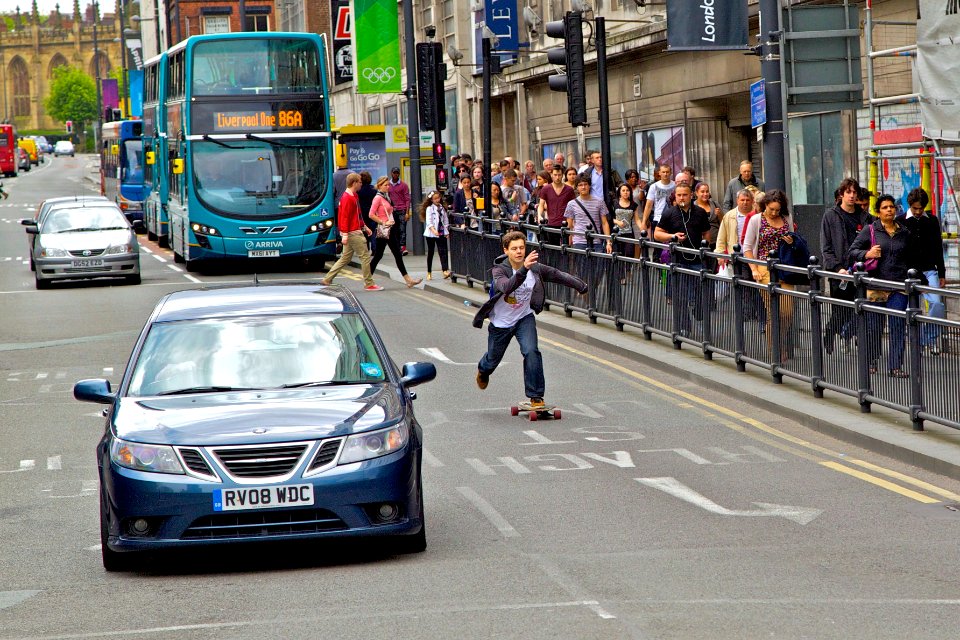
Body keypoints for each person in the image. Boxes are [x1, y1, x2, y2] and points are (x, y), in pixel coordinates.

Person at [473, 230, 588, 411]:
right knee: (492, 360)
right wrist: (523, 269)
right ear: (506, 250)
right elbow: (506, 287)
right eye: (514, 249)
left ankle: (536, 397)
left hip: (523, 318)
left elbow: (556, 274)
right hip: (501, 323)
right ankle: (483, 370)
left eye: (522, 248)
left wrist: (580, 285)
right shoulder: (499, 270)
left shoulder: (534, 268)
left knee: (531, 351)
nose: (519, 252)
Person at [847, 194, 915, 377]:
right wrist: (867, 254)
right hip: (876, 284)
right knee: (874, 326)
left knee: (898, 325)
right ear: (878, 212)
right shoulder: (871, 230)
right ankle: (871, 360)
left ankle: (895, 366)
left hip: (898, 286)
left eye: (892, 207)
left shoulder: (904, 232)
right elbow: (852, 252)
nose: (889, 210)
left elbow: (911, 257)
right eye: (885, 207)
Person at [743, 190, 797, 362]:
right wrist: (754, 269)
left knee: (787, 313)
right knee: (773, 311)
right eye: (771, 209)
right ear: (765, 205)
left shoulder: (786, 219)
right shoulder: (756, 220)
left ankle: (779, 340)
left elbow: (795, 243)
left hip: (784, 268)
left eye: (777, 210)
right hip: (764, 268)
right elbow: (747, 247)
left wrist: (792, 241)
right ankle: (775, 350)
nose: (774, 213)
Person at [820, 178, 872, 354]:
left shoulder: (865, 217)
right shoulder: (831, 215)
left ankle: (864, 348)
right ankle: (830, 332)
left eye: (854, 193)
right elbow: (826, 248)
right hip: (840, 271)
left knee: (860, 310)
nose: (851, 196)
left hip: (861, 271)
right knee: (841, 311)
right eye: (848, 192)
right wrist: (837, 269)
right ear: (841, 194)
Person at [655, 184, 711, 335]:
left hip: (698, 260)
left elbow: (706, 233)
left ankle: (699, 315)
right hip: (678, 260)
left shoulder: (700, 212)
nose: (681, 198)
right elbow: (657, 234)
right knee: (680, 296)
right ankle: (684, 327)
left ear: (691, 195)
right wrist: (672, 237)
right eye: (679, 195)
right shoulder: (669, 213)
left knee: (702, 293)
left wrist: (705, 249)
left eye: (684, 195)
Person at [898, 188, 946, 354]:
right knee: (913, 308)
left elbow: (938, 247)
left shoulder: (931, 220)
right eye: (915, 208)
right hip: (909, 272)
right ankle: (916, 341)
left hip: (929, 269)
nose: (918, 212)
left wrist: (942, 273)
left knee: (937, 304)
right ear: (909, 205)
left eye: (921, 208)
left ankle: (927, 338)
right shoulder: (901, 221)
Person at [322, 173, 382, 291]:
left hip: (353, 231)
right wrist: (344, 234)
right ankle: (369, 283)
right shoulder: (347, 198)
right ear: (354, 183)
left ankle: (328, 279)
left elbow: (357, 215)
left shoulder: (354, 195)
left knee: (345, 258)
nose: (361, 184)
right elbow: (344, 217)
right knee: (365, 257)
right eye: (359, 182)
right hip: (353, 233)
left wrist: (364, 227)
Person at [369, 176, 422, 288]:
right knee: (379, 255)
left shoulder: (386, 197)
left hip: (390, 229)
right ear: (379, 186)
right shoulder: (378, 198)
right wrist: (383, 222)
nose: (388, 187)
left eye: (388, 185)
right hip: (384, 229)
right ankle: (368, 280)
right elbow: (371, 214)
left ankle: (408, 280)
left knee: (396, 254)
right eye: (385, 185)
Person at [564, 175, 611, 252]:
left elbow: (604, 223)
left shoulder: (600, 202)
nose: (583, 187)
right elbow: (569, 225)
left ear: (589, 186)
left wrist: (608, 242)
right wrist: (568, 244)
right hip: (579, 241)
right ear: (577, 187)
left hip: (596, 241)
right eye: (580, 185)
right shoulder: (571, 204)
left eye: (585, 184)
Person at [537, 165, 576, 240]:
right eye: (555, 175)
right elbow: (541, 205)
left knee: (565, 248)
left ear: (563, 175)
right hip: (551, 223)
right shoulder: (546, 189)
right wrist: (539, 216)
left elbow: (573, 207)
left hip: (566, 223)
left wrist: (572, 223)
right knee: (553, 248)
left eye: (559, 175)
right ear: (551, 175)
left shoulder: (569, 190)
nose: (557, 177)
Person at [421, 191, 450, 280]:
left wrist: (446, 231)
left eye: (438, 198)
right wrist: (434, 231)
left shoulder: (442, 208)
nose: (437, 200)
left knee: (443, 251)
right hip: (431, 234)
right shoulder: (429, 209)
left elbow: (445, 221)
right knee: (431, 252)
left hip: (441, 232)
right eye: (435, 199)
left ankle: (445, 270)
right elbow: (429, 222)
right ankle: (429, 272)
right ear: (431, 200)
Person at [640, 164, 675, 234]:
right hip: (658, 218)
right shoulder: (653, 186)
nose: (665, 174)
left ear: (671, 173)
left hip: (673, 218)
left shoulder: (675, 185)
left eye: (667, 172)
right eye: (663, 172)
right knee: (658, 243)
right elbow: (648, 205)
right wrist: (644, 222)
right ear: (659, 173)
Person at [388, 167, 412, 256]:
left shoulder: (403, 185)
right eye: (394, 173)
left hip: (402, 209)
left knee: (402, 229)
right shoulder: (388, 185)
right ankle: (397, 247)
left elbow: (407, 199)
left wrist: (407, 212)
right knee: (394, 229)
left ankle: (403, 247)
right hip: (392, 210)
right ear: (391, 173)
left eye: (397, 173)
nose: (395, 174)